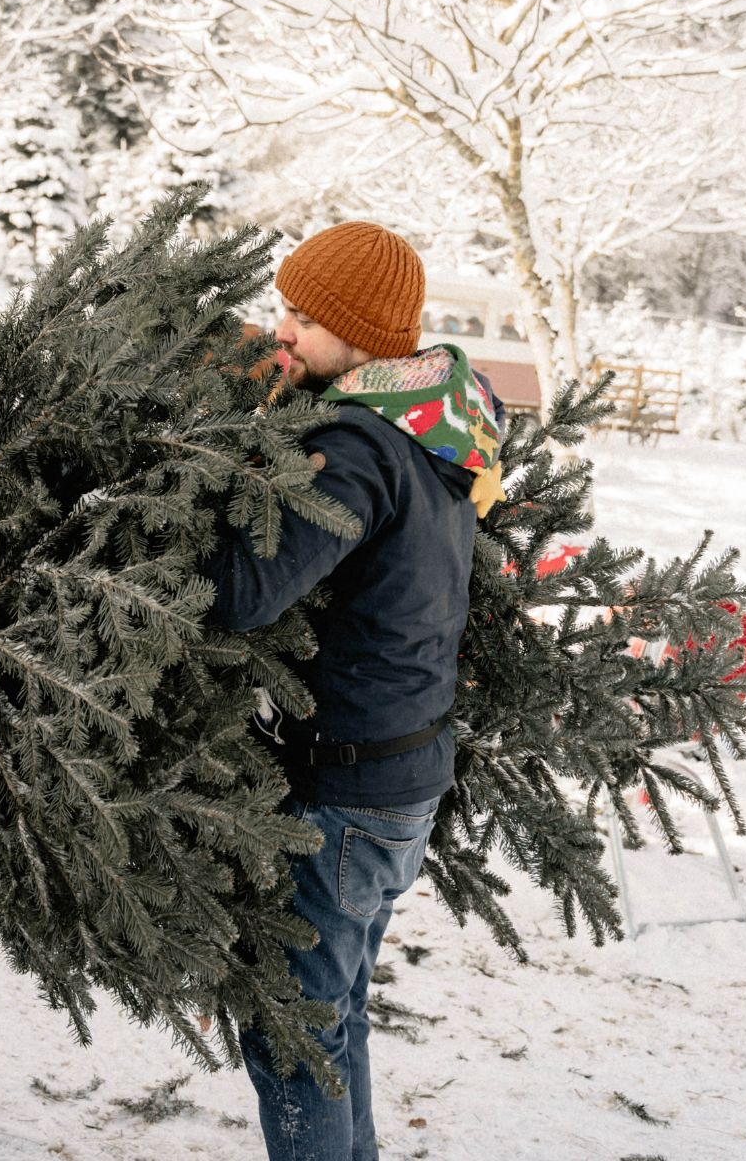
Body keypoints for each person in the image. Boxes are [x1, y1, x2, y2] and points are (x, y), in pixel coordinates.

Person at [208, 221, 505, 1161]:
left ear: (358, 331)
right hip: (399, 781)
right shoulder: (429, 427)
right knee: (332, 1022)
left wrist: (207, 468)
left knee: (294, 1037)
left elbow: (243, 591)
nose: (280, 331)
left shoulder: (358, 442)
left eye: (301, 316)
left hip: (344, 796)